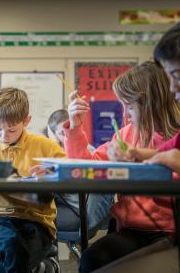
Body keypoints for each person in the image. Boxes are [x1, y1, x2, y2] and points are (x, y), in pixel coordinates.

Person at [63, 60, 180, 272]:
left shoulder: (175, 135)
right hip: (131, 230)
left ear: (150, 103)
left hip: (170, 231)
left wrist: (138, 163)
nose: (124, 114)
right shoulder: (127, 133)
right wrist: (75, 125)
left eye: (130, 106)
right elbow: (87, 167)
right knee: (91, 259)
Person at [0, 87, 66, 272]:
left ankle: (39, 267)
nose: (3, 135)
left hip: (39, 222)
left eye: (11, 130)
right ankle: (40, 267)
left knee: (20, 256)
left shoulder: (46, 145)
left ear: (27, 121)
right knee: (13, 247)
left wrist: (53, 174)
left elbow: (73, 173)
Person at [45, 109, 112, 234]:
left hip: (80, 209)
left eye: (68, 129)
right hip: (66, 203)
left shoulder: (87, 152)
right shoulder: (51, 153)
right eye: (61, 133)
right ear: (53, 134)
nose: (66, 135)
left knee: (33, 218)